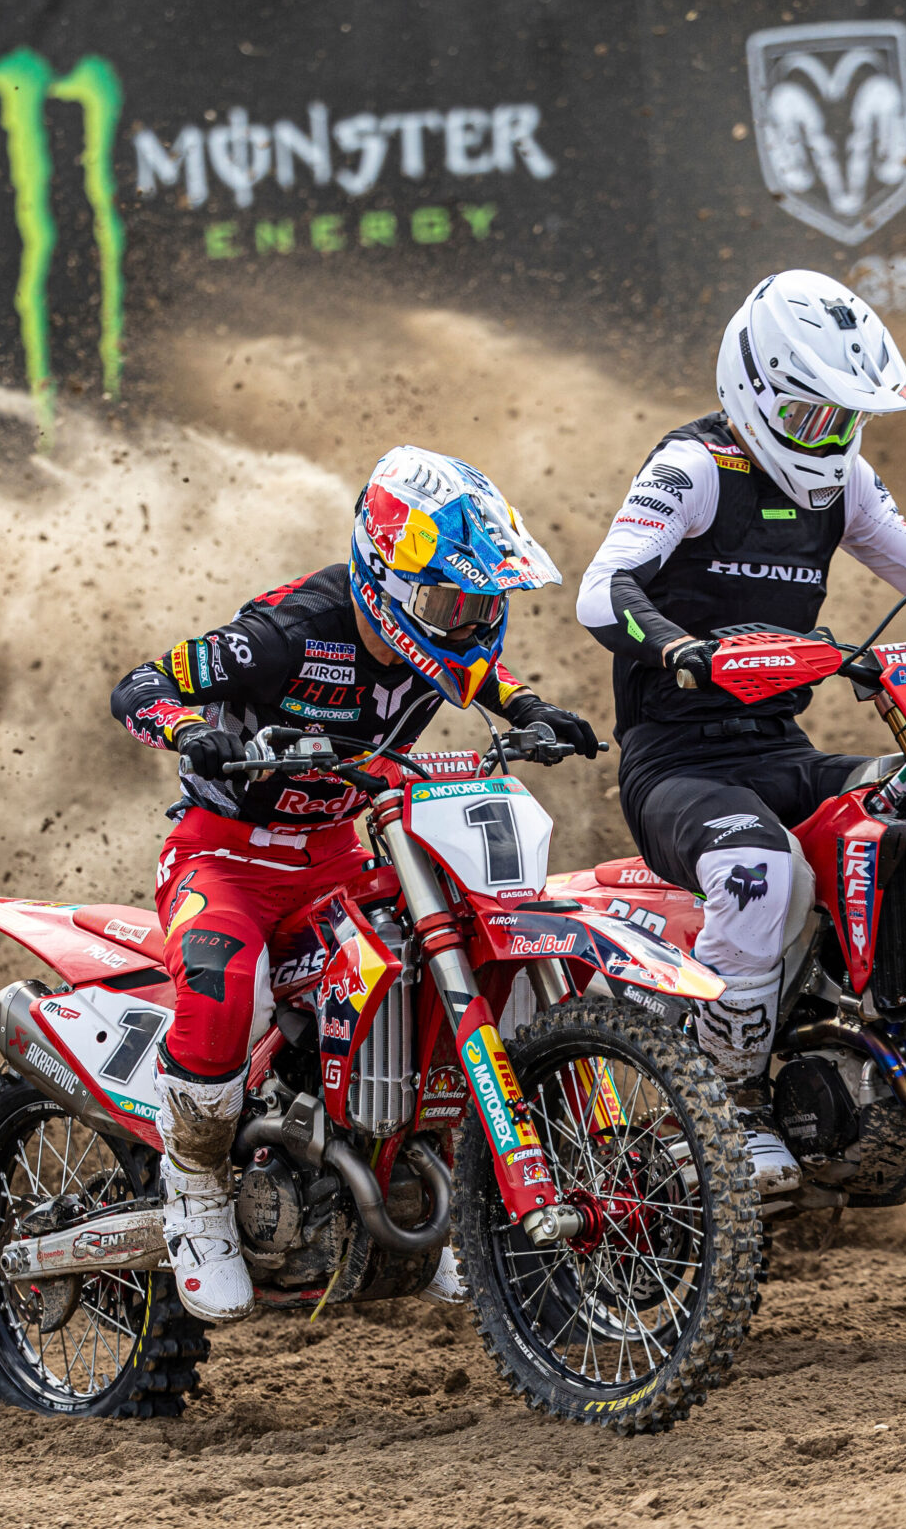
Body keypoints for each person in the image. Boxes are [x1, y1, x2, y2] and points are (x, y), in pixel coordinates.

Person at [576, 269, 906, 1205]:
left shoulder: (847, 482)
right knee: (759, 868)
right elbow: (604, 590)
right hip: (678, 763)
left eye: (843, 421)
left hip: (781, 750)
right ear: (752, 389)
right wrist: (681, 651)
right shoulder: (694, 468)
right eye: (808, 418)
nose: (826, 441)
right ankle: (729, 1103)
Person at [109, 446, 598, 1323]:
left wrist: (527, 707)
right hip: (226, 856)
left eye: (482, 605)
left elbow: (474, 668)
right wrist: (190, 731)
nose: (468, 623)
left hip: (340, 854)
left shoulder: (437, 644)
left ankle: (421, 1181)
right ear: (386, 577)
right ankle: (196, 1193)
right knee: (226, 989)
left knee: (438, 961)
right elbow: (143, 683)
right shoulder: (286, 634)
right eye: (449, 604)